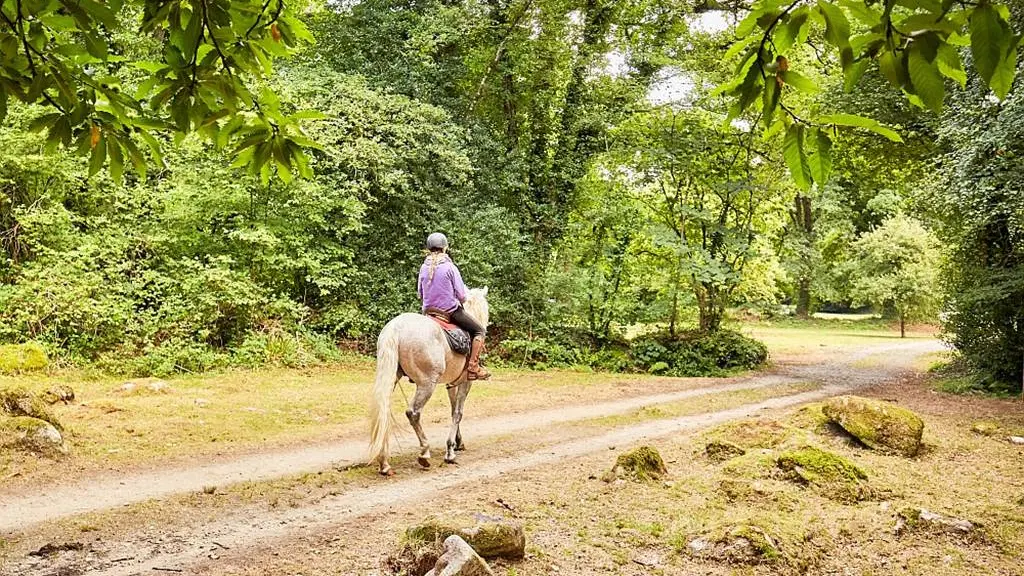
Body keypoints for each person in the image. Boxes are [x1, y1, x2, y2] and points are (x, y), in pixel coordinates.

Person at [418, 232, 491, 380]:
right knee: (479, 331)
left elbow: (420, 293)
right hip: (449, 312)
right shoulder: (450, 267)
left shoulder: (423, 268)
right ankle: (473, 367)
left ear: (429, 249)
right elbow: (462, 296)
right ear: (445, 248)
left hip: (428, 312)